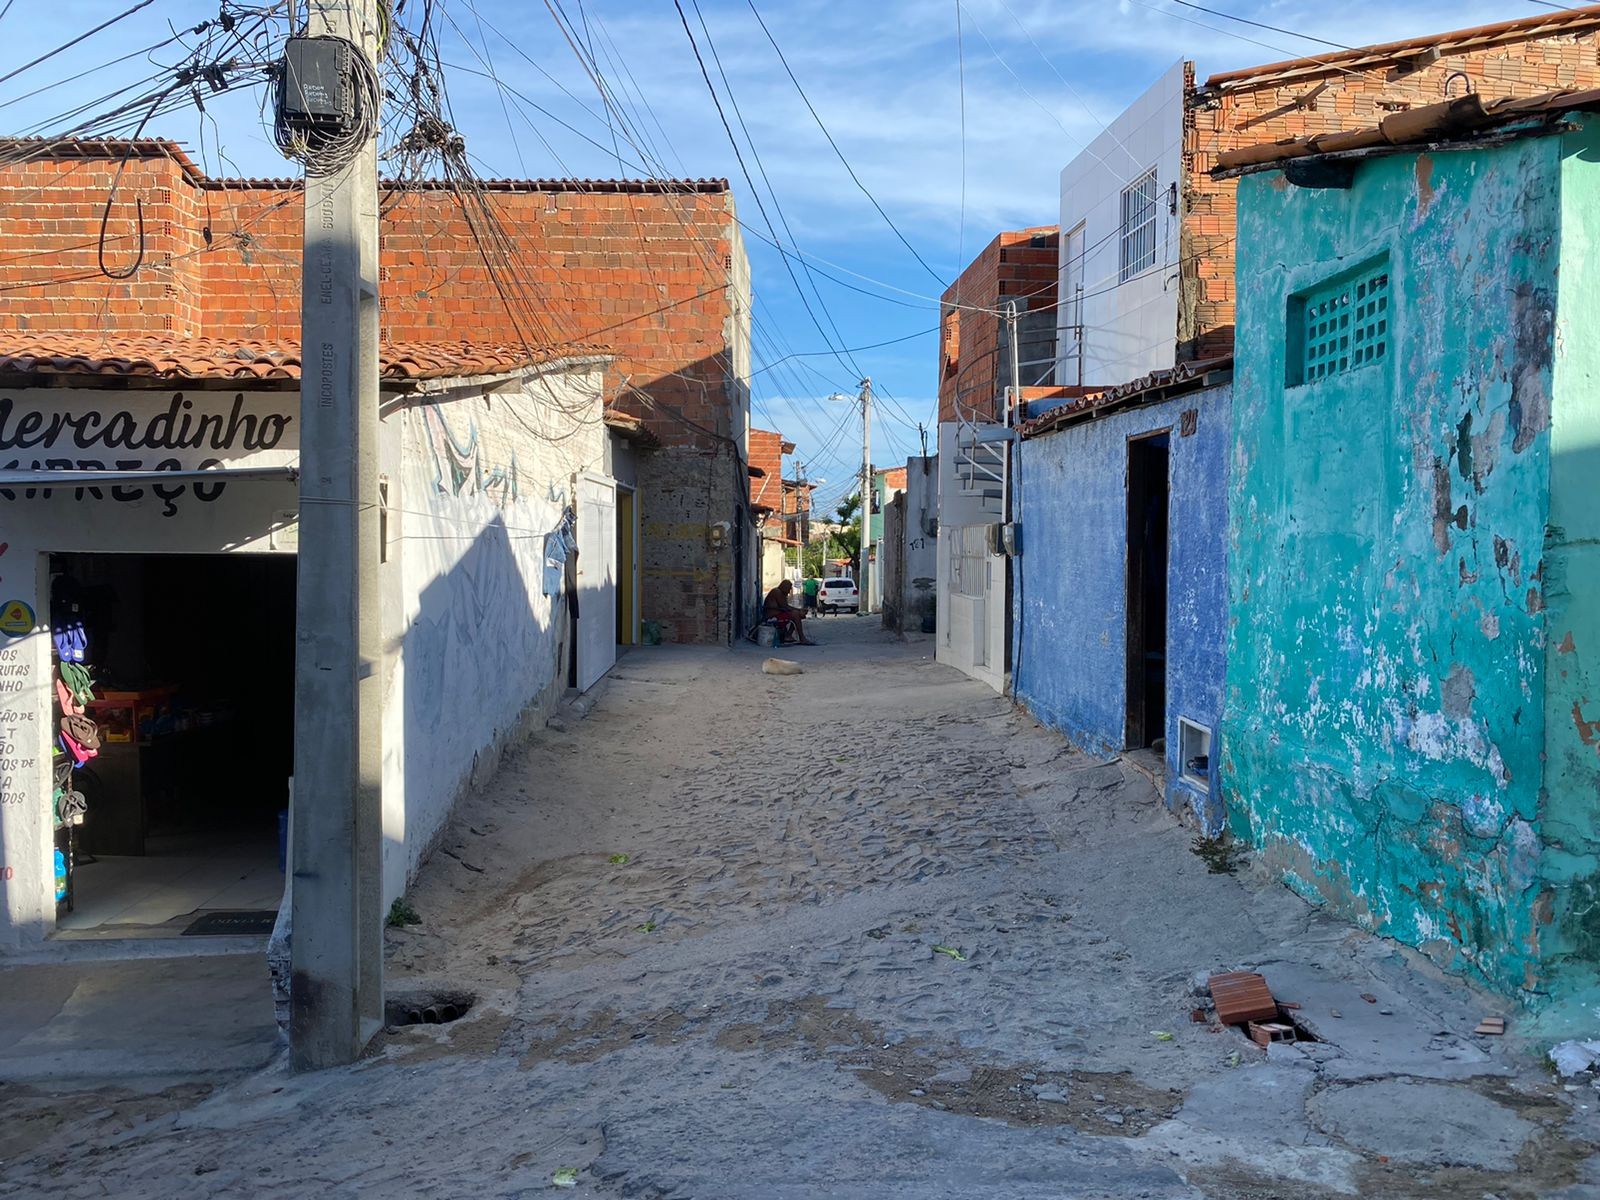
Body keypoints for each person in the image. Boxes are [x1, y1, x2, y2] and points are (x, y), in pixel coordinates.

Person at [763, 579, 814, 645]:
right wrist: (799, 610)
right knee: (796, 614)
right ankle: (802, 638)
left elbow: (785, 607)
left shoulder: (781, 593)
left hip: (778, 613)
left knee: (798, 614)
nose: (789, 592)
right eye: (789, 589)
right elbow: (785, 607)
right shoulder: (777, 592)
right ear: (785, 587)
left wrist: (799, 611)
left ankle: (788, 635)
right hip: (772, 616)